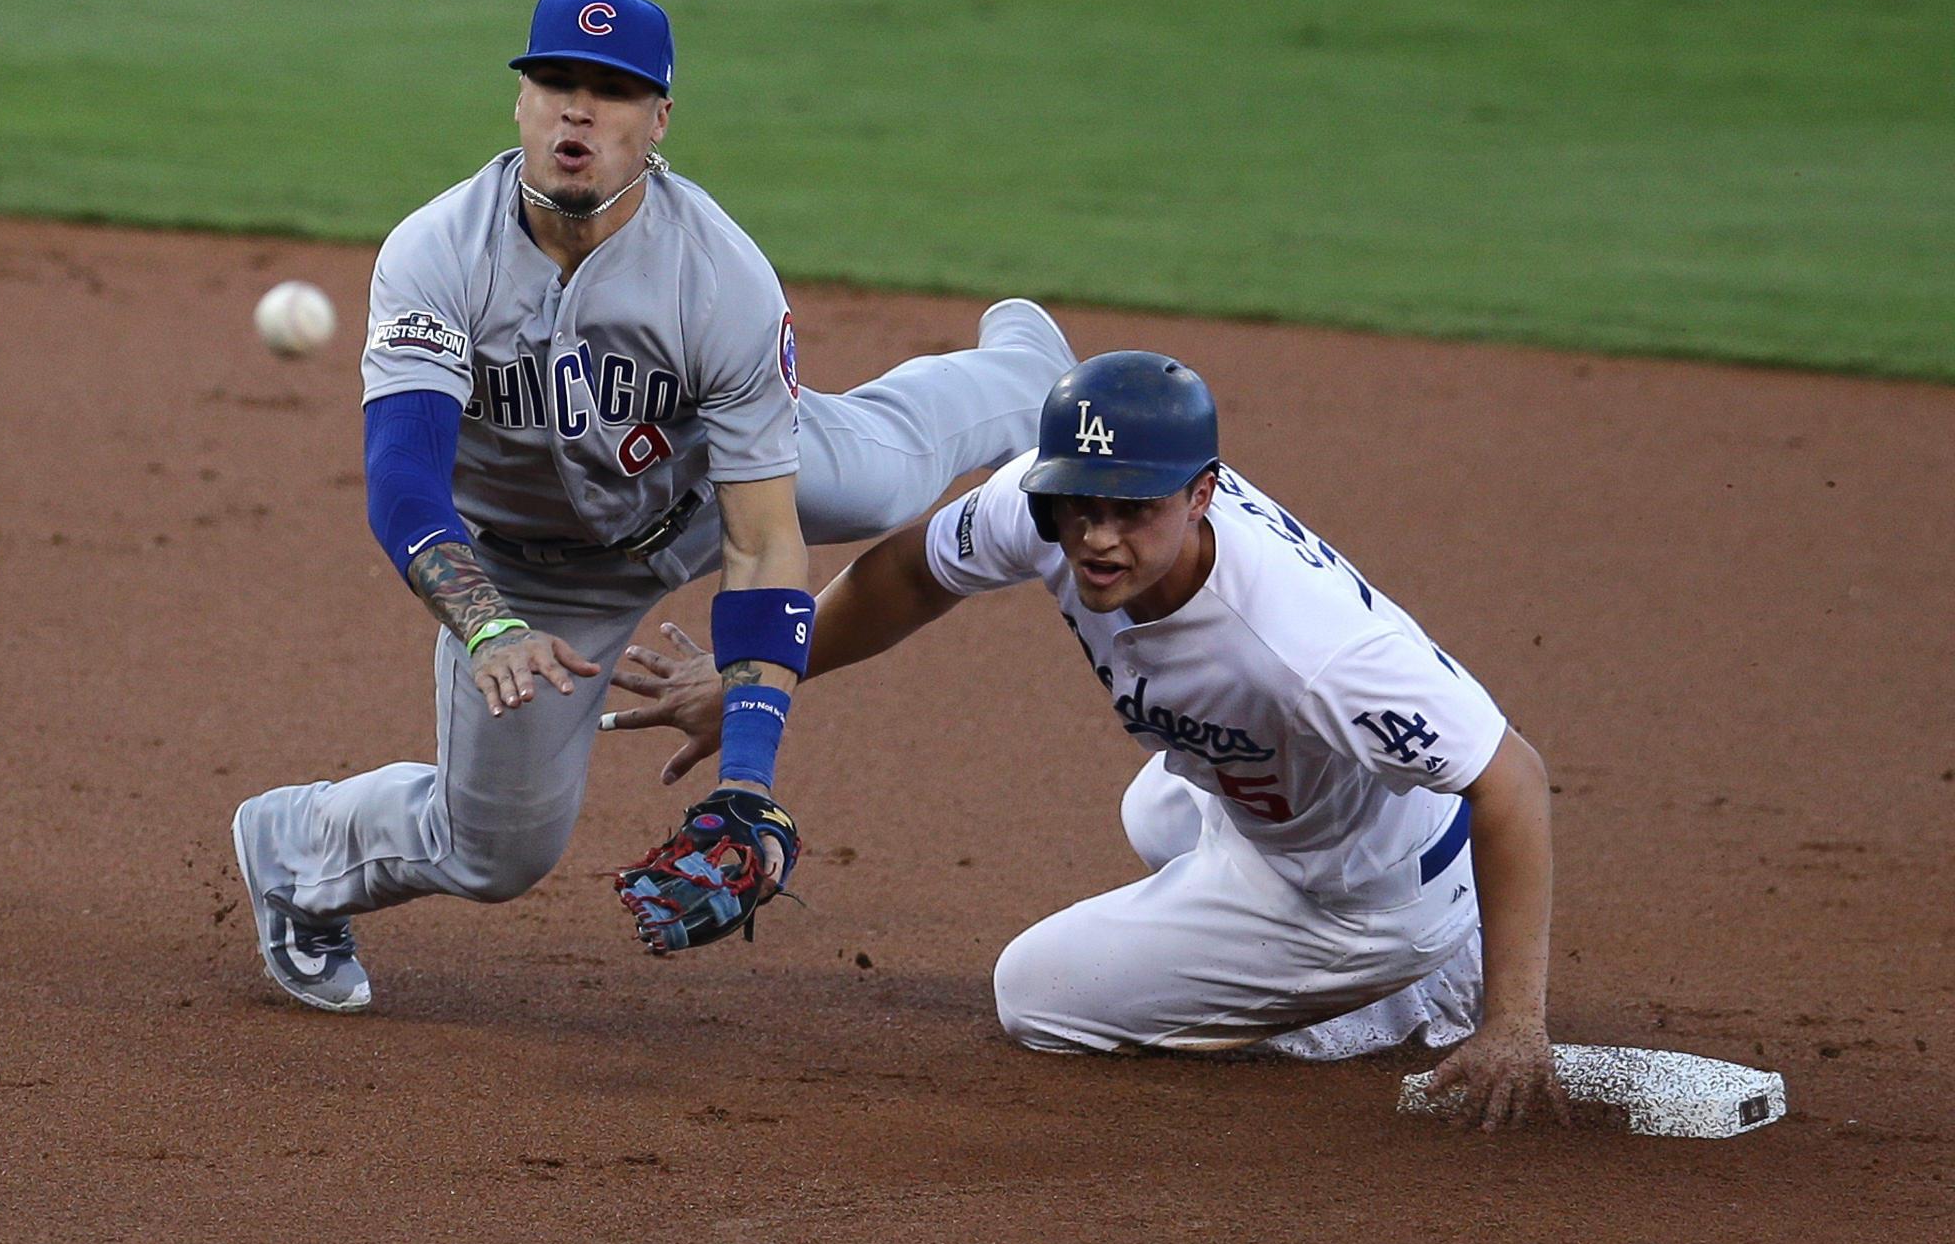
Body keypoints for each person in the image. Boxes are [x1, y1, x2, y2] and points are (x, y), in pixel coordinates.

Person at [230, 0, 1074, 1012]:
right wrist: (488, 624)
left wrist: (746, 779)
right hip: (530, 574)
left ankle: (1028, 366)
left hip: (707, 491)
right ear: (521, 103)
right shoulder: (435, 254)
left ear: (658, 119)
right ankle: (297, 844)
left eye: (613, 92)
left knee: (890, 469)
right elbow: (402, 483)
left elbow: (765, 543)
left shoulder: (717, 274)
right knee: (494, 853)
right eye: (555, 83)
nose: (578, 111)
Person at [608, 351, 1570, 1129]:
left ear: (1202, 495)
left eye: (1133, 510)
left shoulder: (1311, 646)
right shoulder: (1047, 502)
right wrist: (758, 683)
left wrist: (1514, 1027)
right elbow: (908, 575)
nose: (1098, 539)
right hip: (1283, 802)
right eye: (1082, 505)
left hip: (1366, 895)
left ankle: (1414, 987)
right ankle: (1366, 942)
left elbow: (1511, 776)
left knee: (1036, 997)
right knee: (1154, 798)